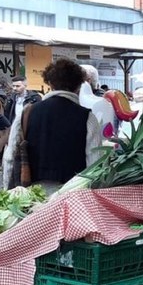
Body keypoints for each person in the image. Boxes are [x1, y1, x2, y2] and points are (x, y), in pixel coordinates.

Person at [18, 59, 103, 189]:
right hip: (72, 195)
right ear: (79, 86)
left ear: (50, 84)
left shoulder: (27, 112)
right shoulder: (87, 117)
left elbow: (10, 156)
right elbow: (95, 163)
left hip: (32, 194)